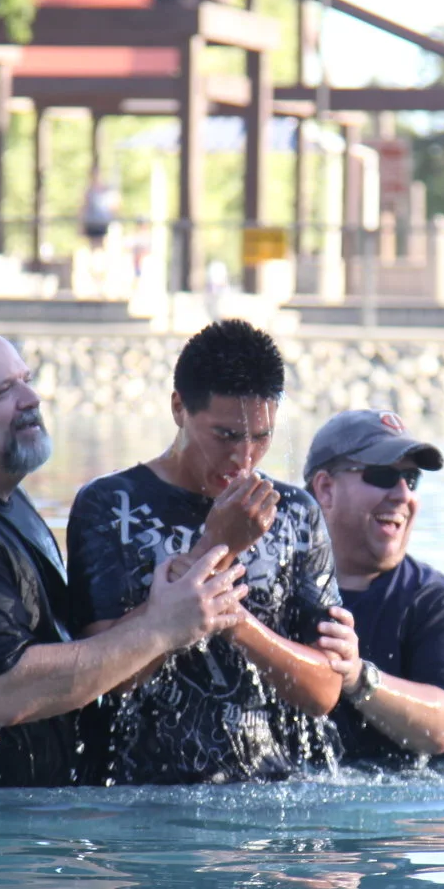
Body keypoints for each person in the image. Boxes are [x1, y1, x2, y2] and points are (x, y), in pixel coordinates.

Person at [0, 328, 249, 794]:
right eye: (3, 391)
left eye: (26, 380)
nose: (31, 398)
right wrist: (160, 629)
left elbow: (61, 646)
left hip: (1, 819)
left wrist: (171, 610)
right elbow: (7, 690)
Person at [66, 319, 355, 784]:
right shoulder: (109, 505)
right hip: (141, 798)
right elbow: (105, 680)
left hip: (270, 799)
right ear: (179, 408)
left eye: (261, 437)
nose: (244, 458)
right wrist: (218, 548)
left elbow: (323, 691)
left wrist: (236, 623)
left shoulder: (295, 514)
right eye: (225, 436)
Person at [303, 409, 444, 768]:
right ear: (326, 489)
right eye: (383, 476)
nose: (403, 494)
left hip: (420, 818)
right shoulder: (274, 591)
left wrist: (358, 679)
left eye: (411, 478)